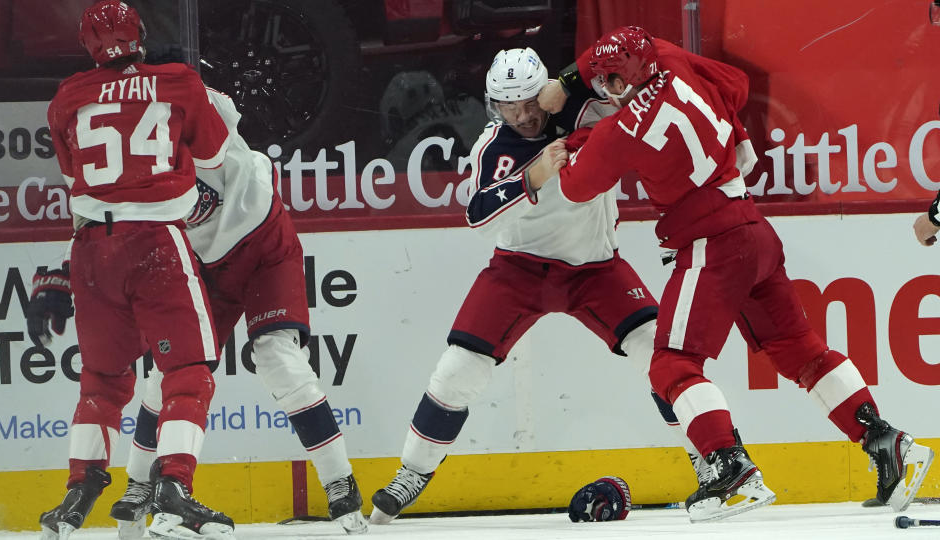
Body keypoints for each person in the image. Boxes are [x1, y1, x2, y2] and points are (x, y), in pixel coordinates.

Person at [526, 26, 934, 522]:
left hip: (712, 244)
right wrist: (576, 78)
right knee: (801, 351)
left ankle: (730, 468)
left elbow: (575, 187)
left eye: (607, 82)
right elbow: (735, 85)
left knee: (671, 365)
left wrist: (553, 158)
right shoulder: (673, 61)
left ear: (620, 82)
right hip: (753, 228)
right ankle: (886, 441)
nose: (603, 89)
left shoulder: (618, 132)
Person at [368, 47, 711, 525]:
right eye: (510, 106)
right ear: (494, 106)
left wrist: (576, 80)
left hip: (596, 269)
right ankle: (411, 473)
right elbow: (477, 214)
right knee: (456, 371)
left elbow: (638, 66)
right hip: (518, 270)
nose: (524, 115)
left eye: (530, 101)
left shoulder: (589, 111)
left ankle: (708, 457)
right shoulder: (491, 146)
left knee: (658, 352)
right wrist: (535, 173)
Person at [107, 85, 368, 538]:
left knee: (278, 358)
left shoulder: (188, 103)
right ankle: (139, 486)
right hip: (203, 265)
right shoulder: (122, 163)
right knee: (168, 373)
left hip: (264, 241)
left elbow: (222, 109)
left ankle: (339, 481)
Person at [31, 2, 234, 538]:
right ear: (140, 33)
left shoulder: (67, 98)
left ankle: (78, 493)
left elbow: (82, 184)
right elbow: (214, 154)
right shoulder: (177, 81)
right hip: (156, 243)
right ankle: (174, 487)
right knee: (188, 372)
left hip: (91, 250)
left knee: (102, 380)